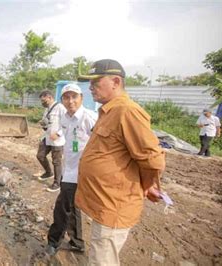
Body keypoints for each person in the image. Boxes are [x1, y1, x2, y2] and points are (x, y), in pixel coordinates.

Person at [76, 59, 166, 265]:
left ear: (116, 81)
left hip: (114, 205)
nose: (90, 87)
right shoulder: (110, 110)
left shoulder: (127, 111)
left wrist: (148, 185)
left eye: (96, 82)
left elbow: (152, 160)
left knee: (102, 260)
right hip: (104, 202)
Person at [46, 84, 97, 256]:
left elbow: (103, 140)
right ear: (62, 100)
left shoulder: (89, 117)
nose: (70, 101)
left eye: (74, 96)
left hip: (80, 172)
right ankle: (77, 242)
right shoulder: (65, 117)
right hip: (69, 169)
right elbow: (63, 130)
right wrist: (57, 134)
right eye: (66, 97)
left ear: (81, 98)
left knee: (61, 207)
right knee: (72, 206)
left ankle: (53, 241)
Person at [36, 90, 66, 192]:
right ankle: (48, 172)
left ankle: (57, 183)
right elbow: (47, 123)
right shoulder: (46, 109)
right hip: (47, 137)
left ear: (49, 97)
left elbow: (66, 123)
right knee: (40, 155)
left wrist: (58, 134)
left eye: (44, 100)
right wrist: (43, 124)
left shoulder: (60, 108)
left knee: (56, 161)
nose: (43, 103)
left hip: (58, 140)